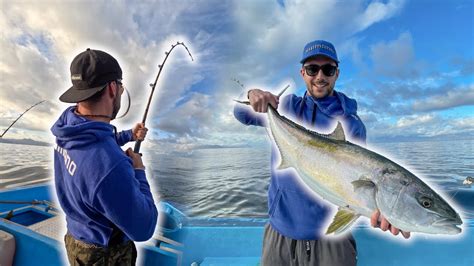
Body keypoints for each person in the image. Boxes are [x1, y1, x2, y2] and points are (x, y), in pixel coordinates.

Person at [234, 40, 410, 266]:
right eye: (312, 69)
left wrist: (387, 209)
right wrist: (251, 94)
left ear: (337, 73)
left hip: (331, 238)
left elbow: (358, 184)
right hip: (280, 229)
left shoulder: (352, 123)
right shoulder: (284, 106)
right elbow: (240, 114)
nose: (320, 76)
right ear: (302, 73)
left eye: (328, 69)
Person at [51, 48, 158, 265]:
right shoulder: (111, 167)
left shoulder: (67, 126)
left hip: (75, 239)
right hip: (103, 255)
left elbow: (93, 144)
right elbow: (143, 228)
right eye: (120, 87)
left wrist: (129, 135)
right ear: (112, 88)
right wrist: (138, 171)